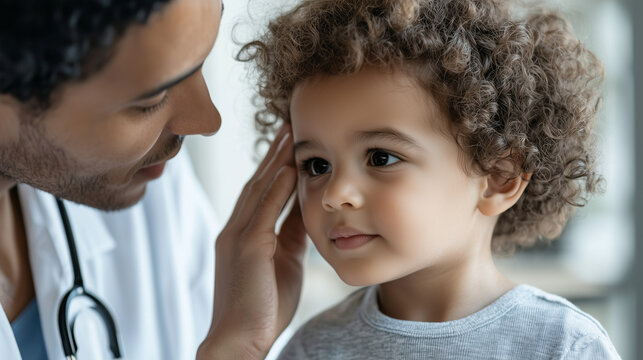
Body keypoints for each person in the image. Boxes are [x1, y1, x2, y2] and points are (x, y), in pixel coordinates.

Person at [240, 0, 621, 358]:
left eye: (380, 157)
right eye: (317, 166)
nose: (334, 195)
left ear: (498, 178)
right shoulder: (315, 349)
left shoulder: (562, 346)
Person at [0, 0, 305, 359]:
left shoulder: (142, 182)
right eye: (150, 101)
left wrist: (237, 345)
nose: (208, 121)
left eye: (200, 61)